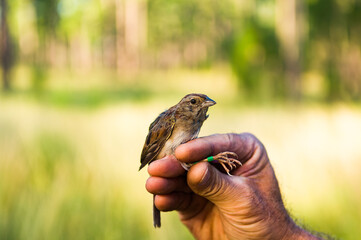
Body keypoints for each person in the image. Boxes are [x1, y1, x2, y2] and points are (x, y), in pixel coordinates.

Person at [146, 133, 328, 239]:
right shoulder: (172, 119)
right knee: (186, 164)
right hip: (168, 163)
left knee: (189, 165)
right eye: (194, 102)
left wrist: (282, 235)